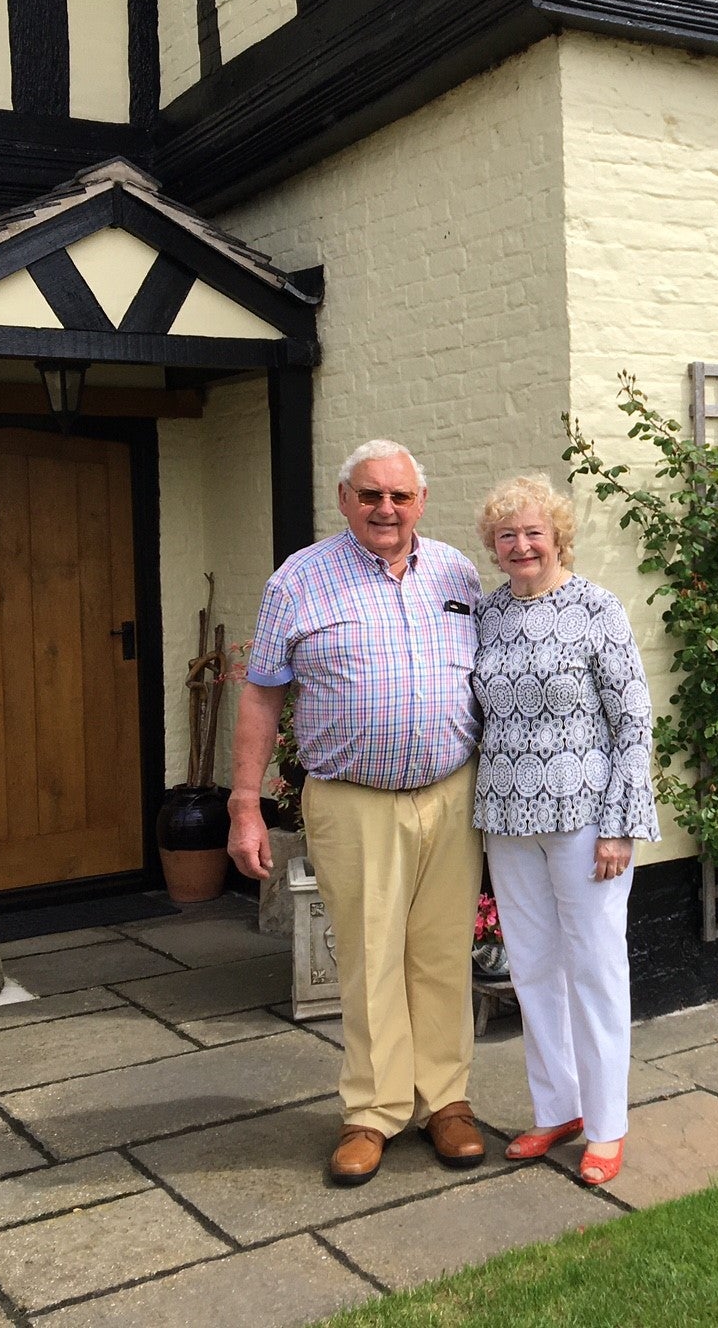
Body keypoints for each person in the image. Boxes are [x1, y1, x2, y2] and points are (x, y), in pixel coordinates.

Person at [227, 439, 487, 1186]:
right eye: (370, 495)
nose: (386, 509)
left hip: (450, 792)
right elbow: (261, 694)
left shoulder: (456, 573)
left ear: (421, 502)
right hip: (353, 799)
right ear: (344, 500)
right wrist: (245, 805)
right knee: (369, 959)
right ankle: (372, 1113)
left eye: (400, 496)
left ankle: (447, 1101)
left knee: (440, 952)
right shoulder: (300, 580)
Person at [471, 474, 659, 1188]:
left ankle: (607, 1125)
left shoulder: (595, 609)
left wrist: (619, 826)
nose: (521, 545)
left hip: (586, 822)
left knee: (595, 968)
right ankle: (559, 1108)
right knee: (533, 967)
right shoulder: (487, 614)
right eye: (507, 535)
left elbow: (633, 722)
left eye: (533, 533)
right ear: (494, 545)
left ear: (558, 538)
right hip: (507, 817)